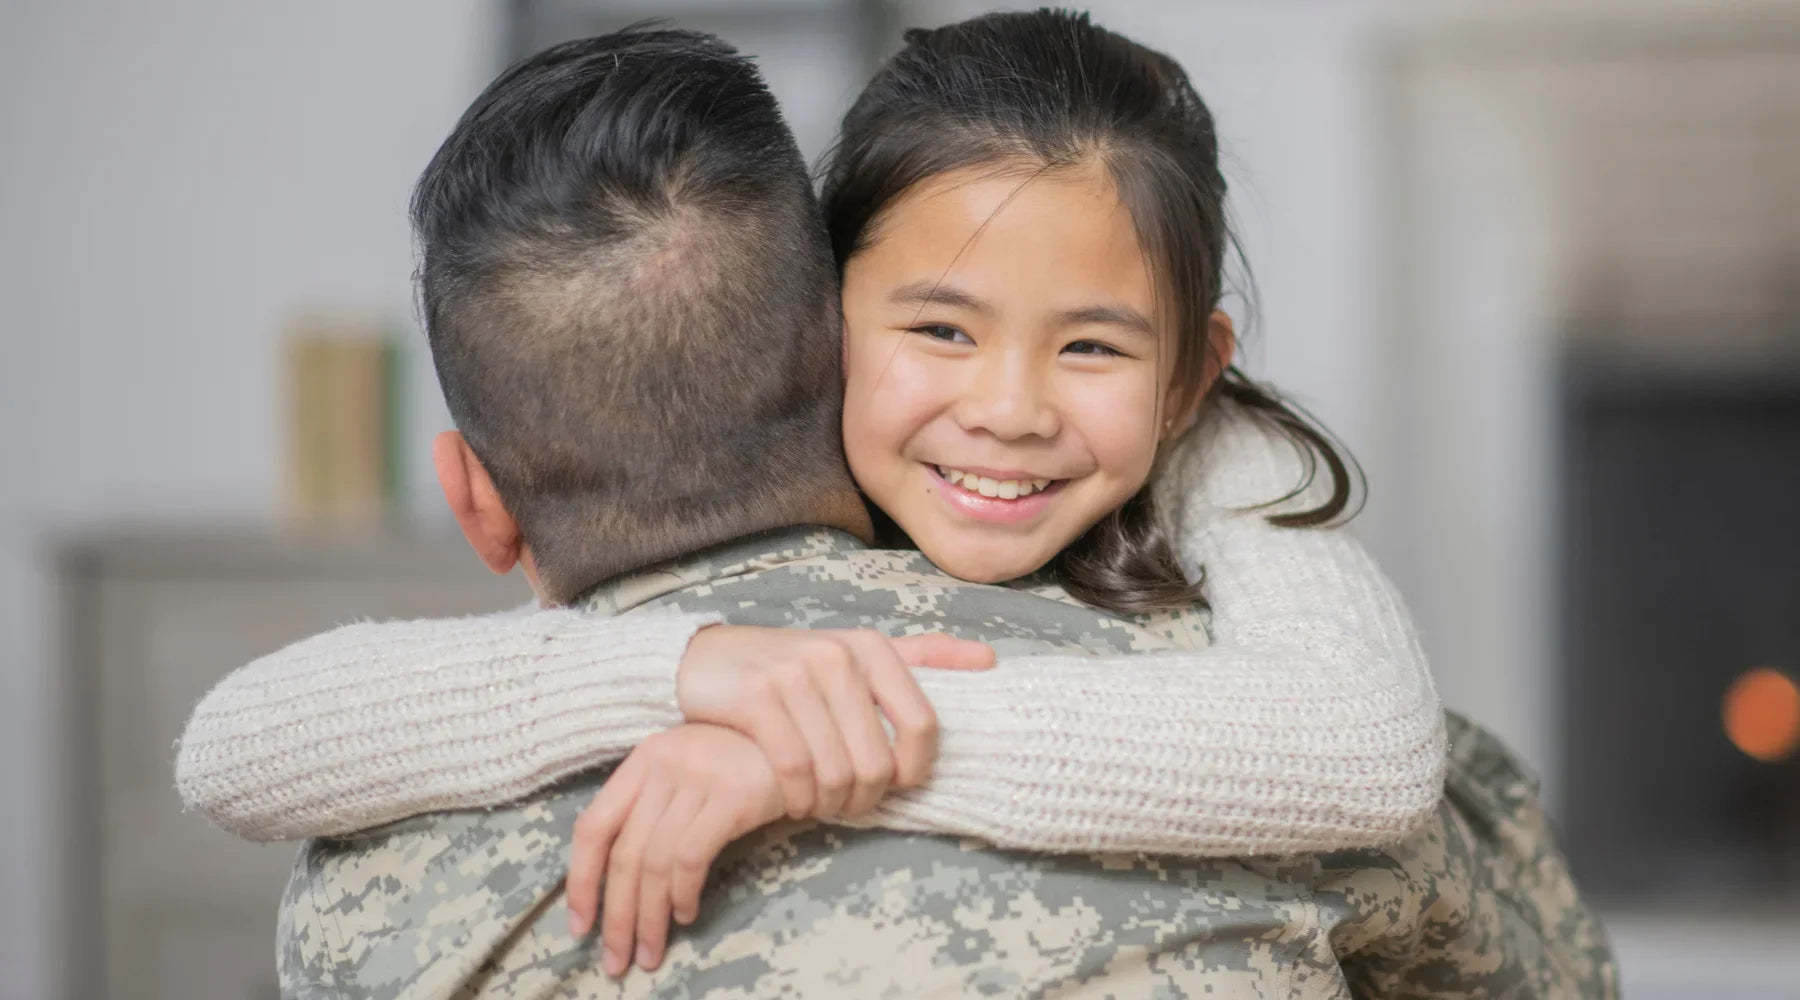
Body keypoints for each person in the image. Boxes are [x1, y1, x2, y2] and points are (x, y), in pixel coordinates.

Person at [181, 14, 1608, 995]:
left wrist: (817, 750)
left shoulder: (1241, 572)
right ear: (826, 323)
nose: (1008, 404)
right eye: (937, 331)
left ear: (1192, 375)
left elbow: (1361, 755)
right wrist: (690, 674)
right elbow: (234, 741)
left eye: (1096, 345)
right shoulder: (507, 702)